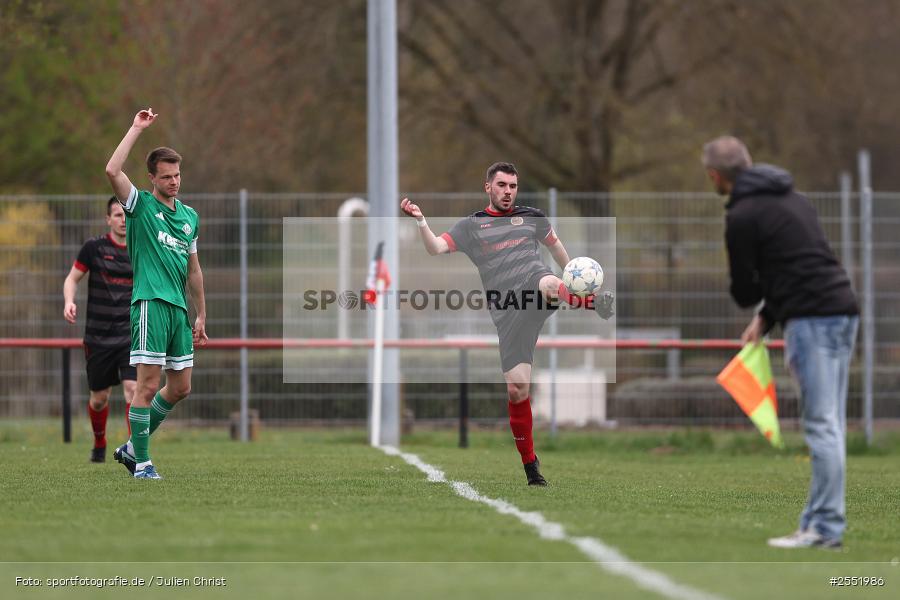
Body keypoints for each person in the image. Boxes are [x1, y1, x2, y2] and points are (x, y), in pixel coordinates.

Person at [401, 162, 614, 486]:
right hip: (509, 313)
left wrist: (574, 277)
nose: (508, 191)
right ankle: (531, 467)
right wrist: (421, 222)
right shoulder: (472, 226)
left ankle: (591, 302)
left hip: (534, 283)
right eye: (501, 185)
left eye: (513, 186)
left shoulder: (533, 217)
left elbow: (556, 248)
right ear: (488, 187)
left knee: (546, 283)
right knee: (517, 389)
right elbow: (436, 248)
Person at [702, 136, 859, 549]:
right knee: (831, 423)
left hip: (812, 320)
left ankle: (825, 530)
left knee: (822, 425)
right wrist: (766, 319)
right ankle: (815, 523)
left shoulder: (742, 216)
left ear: (716, 176)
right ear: (749, 164)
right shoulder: (795, 199)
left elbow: (743, 290)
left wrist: (757, 299)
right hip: (842, 310)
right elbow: (799, 265)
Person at [105, 107, 208, 480]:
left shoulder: (189, 217)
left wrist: (200, 313)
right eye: (166, 177)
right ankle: (142, 464)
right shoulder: (140, 207)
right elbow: (112, 171)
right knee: (146, 386)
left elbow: (193, 269)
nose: (174, 182)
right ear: (152, 178)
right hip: (150, 303)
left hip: (179, 310)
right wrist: (135, 128)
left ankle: (133, 447)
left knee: (180, 387)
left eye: (177, 175)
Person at [63, 197, 136, 463]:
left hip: (131, 333)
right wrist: (69, 301)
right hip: (98, 335)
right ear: (108, 219)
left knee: (133, 390)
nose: (123, 220)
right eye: (117, 215)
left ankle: (135, 451)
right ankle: (99, 441)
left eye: (126, 214)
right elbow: (72, 278)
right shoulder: (93, 247)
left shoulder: (141, 248)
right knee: (99, 398)